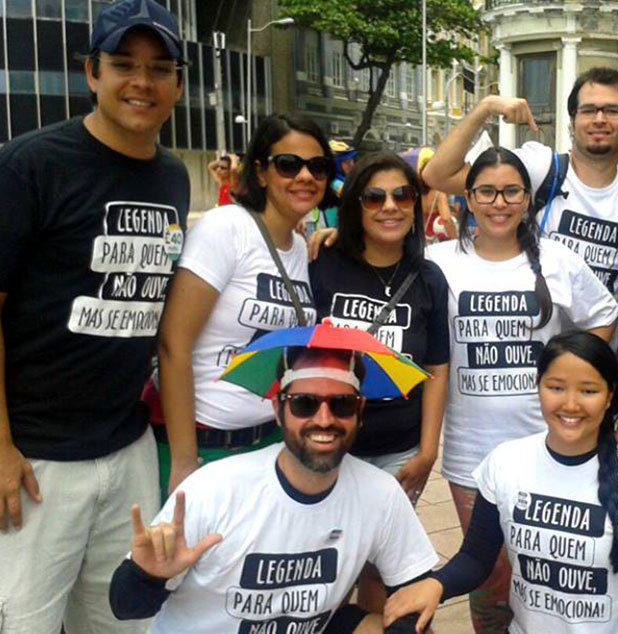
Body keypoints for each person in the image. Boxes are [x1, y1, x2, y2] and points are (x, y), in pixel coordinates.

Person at [0, 0, 189, 630]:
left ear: (178, 83)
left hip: (124, 448)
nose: (142, 82)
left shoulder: (170, 178)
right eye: (124, 65)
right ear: (92, 73)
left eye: (160, 68)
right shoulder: (29, 165)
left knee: (121, 619)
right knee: (12, 620)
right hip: (28, 458)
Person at [425, 147, 618, 632]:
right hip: (471, 454)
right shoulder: (439, 262)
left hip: (549, 450)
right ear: (467, 197)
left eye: (512, 191)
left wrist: (568, 381)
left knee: (545, 580)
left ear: (528, 199)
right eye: (486, 191)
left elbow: (604, 316)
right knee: (488, 583)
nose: (499, 202)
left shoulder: (557, 260)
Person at [109, 348, 440, 632]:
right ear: (278, 411)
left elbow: (416, 593)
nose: (324, 419)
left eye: (341, 404)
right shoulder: (214, 489)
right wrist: (147, 576)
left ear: (360, 411)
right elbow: (125, 607)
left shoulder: (379, 493)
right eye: (304, 404)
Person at [382, 330, 618, 633]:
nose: (570, 404)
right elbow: (476, 557)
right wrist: (436, 585)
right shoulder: (505, 463)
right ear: (538, 386)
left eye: (588, 391)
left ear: (609, 397)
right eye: (555, 387)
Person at [155, 114, 328, 497]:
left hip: (268, 445)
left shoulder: (301, 248)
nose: (305, 176)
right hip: (204, 445)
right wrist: (185, 462)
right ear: (261, 172)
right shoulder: (226, 228)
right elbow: (173, 345)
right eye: (288, 164)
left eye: (317, 166)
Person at [309, 152, 450, 611]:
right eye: (374, 196)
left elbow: (436, 366)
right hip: (328, 440)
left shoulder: (428, 277)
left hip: (400, 450)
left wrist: (428, 451)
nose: (389, 206)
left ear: (415, 205)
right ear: (355, 205)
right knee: (322, 561)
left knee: (377, 564)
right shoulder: (324, 262)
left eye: (401, 195)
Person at [422, 68, 618, 336]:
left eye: (613, 110)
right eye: (589, 110)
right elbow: (438, 174)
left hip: (595, 356)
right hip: (528, 351)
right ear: (572, 120)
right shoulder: (540, 168)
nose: (599, 119)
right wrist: (485, 108)